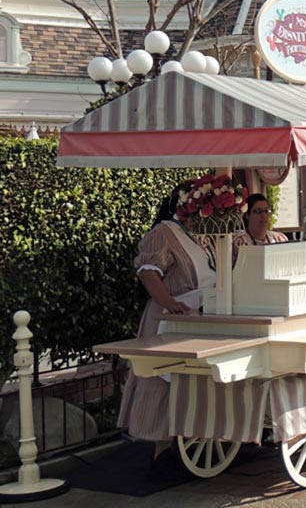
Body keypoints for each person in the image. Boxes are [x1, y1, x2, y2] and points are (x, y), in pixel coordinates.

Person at [117, 181, 217, 451]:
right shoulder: (164, 232)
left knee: (188, 379)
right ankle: (160, 449)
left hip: (194, 319)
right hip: (168, 320)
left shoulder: (200, 235)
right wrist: (168, 302)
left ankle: (186, 439)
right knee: (161, 379)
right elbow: (148, 272)